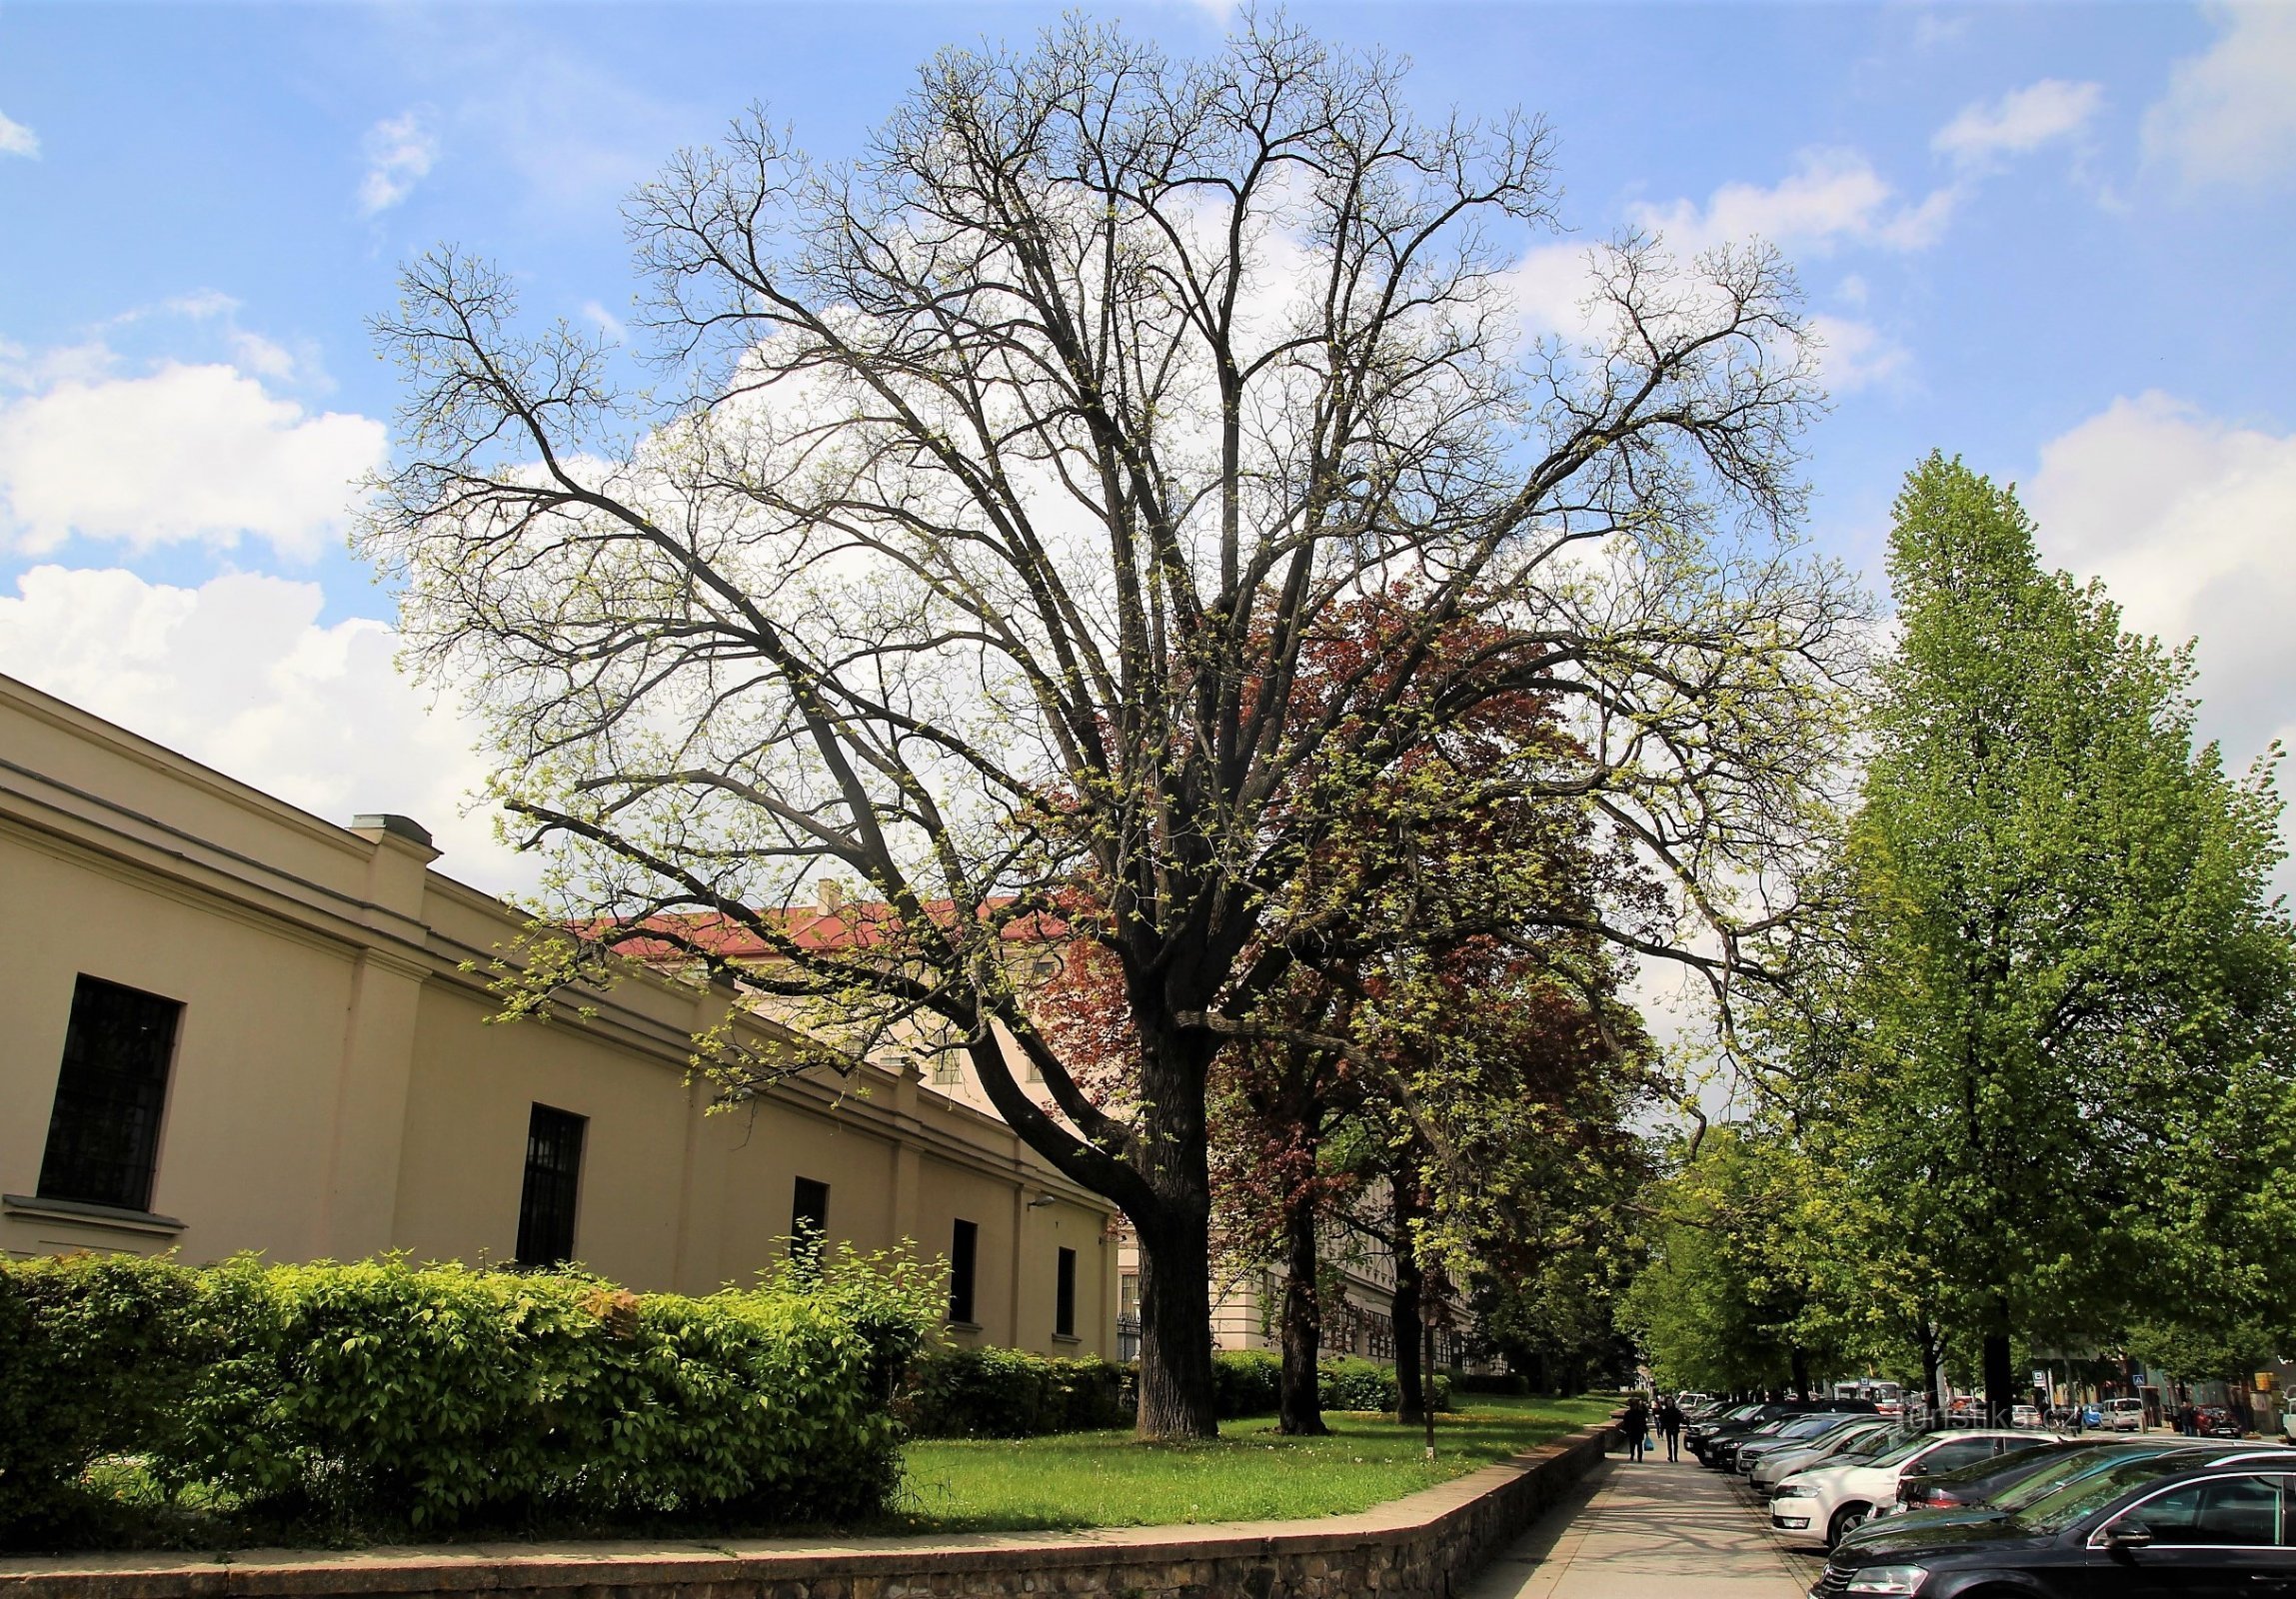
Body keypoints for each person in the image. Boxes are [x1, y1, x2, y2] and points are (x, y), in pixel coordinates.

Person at [1622, 1393, 1650, 1462]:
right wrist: (1645, 1430)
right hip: (1636, 1431)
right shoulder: (1636, 1413)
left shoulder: (1630, 1413)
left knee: (1635, 1445)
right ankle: (1636, 1456)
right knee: (1636, 1445)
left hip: (1635, 1431)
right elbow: (1643, 1422)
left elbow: (1626, 1423)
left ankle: (1636, 1456)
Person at [1656, 1394, 1684, 1461]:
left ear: (1673, 1402)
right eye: (1668, 1401)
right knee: (1669, 1443)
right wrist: (1661, 1430)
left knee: (1675, 1443)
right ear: (1666, 1402)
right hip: (1668, 1428)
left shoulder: (1676, 1411)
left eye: (1670, 1401)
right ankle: (1670, 1456)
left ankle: (1676, 1457)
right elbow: (1662, 1421)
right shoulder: (1664, 1411)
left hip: (1675, 1428)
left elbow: (1680, 1419)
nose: (1669, 1403)